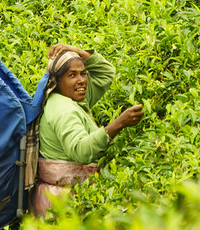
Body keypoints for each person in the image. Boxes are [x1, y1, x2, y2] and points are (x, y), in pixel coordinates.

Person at [29, 43, 143, 218]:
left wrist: (77, 52)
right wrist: (118, 124)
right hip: (65, 204)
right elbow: (81, 151)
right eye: (72, 75)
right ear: (57, 81)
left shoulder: (72, 98)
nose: (81, 80)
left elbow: (106, 73)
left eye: (83, 73)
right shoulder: (62, 109)